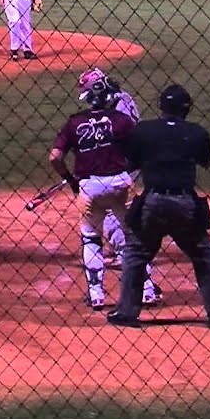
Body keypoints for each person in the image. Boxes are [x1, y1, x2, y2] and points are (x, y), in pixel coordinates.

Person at [106, 84, 210, 329]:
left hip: (152, 201)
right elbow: (205, 161)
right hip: (183, 203)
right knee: (204, 254)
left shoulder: (144, 130)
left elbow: (131, 161)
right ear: (186, 108)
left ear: (161, 106)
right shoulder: (196, 132)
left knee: (136, 253)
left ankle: (126, 313)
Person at [49, 75, 148, 310]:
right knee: (134, 237)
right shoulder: (121, 120)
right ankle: (147, 289)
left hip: (89, 187)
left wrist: (69, 178)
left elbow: (54, 157)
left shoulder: (74, 123)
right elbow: (139, 148)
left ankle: (96, 294)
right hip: (121, 183)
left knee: (91, 239)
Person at [76, 68, 162, 304]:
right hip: (118, 166)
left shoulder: (120, 106)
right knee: (122, 225)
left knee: (117, 229)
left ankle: (144, 287)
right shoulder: (119, 99)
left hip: (123, 167)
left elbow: (123, 137)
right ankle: (143, 284)